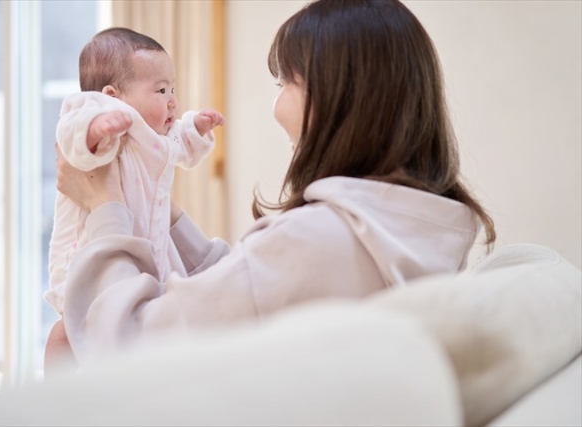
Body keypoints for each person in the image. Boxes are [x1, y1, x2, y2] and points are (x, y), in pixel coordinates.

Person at [54, 0, 496, 369]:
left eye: (284, 82)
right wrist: (163, 213)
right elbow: (244, 287)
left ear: (332, 97)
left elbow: (128, 345)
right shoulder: (425, 228)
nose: (275, 104)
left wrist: (105, 205)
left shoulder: (320, 241)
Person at [44, 27, 224, 372]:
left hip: (145, 252)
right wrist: (97, 129)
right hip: (87, 252)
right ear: (112, 96)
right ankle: (57, 400)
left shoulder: (155, 138)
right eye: (160, 90)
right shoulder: (97, 114)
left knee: (136, 323)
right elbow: (70, 132)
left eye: (173, 89)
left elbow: (180, 147)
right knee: (66, 333)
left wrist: (196, 129)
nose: (172, 100)